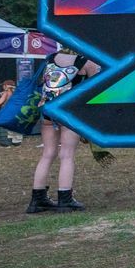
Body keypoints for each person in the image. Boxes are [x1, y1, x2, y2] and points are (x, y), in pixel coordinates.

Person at [25, 47, 103, 213]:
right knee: (67, 155)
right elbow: (97, 87)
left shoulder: (50, 58)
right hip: (69, 112)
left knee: (47, 154)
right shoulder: (86, 62)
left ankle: (37, 199)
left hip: (47, 110)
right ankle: (65, 198)